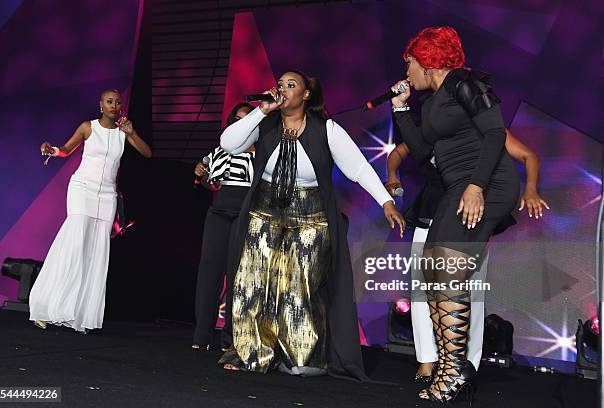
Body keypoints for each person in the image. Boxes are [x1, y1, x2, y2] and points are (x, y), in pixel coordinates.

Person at [217, 70, 405, 380]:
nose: (282, 89)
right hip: (265, 210)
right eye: (280, 84)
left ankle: (303, 355)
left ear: (306, 95)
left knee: (299, 284)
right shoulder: (265, 123)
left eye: (291, 85)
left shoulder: (326, 129)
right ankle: (254, 354)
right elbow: (229, 143)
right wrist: (261, 110)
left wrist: (385, 201)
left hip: (310, 215)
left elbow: (358, 167)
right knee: (253, 283)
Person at [391, 26, 520, 402]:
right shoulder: (430, 103)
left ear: (428, 60)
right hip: (454, 187)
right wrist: (401, 110)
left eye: (410, 62)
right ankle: (450, 366)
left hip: (486, 184)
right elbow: (418, 150)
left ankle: (457, 369)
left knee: (448, 269)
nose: (407, 70)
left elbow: (495, 133)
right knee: (432, 269)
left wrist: (477, 186)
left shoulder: (464, 82)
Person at [385, 130, 549, 384]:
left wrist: (531, 189)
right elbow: (397, 153)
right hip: (431, 211)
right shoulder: (433, 123)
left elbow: (529, 156)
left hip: (470, 217)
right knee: (422, 289)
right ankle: (427, 360)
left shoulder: (488, 126)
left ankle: (466, 365)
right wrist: (393, 177)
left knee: (471, 292)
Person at [29, 89, 151, 334]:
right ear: (101, 105)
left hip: (107, 195)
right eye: (109, 102)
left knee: (96, 251)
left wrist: (131, 132)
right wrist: (50, 150)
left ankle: (79, 315)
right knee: (74, 245)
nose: (114, 105)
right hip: (82, 189)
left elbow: (147, 153)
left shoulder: (123, 133)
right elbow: (65, 149)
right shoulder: (88, 127)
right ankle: (46, 307)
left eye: (117, 102)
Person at [192, 102, 256, 351]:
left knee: (238, 276)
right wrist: (202, 173)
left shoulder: (261, 150)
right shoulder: (222, 149)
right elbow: (211, 184)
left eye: (245, 119)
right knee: (209, 272)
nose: (240, 123)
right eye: (236, 119)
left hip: (245, 214)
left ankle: (230, 338)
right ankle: (202, 335)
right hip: (218, 212)